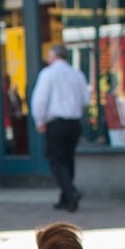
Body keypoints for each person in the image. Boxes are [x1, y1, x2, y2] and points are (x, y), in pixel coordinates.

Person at [29, 45, 90, 213]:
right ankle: (66, 198)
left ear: (54, 56)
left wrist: (39, 120)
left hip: (56, 122)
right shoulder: (77, 74)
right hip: (74, 122)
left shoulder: (48, 74)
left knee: (56, 159)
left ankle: (70, 192)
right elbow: (86, 100)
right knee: (68, 159)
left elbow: (39, 100)